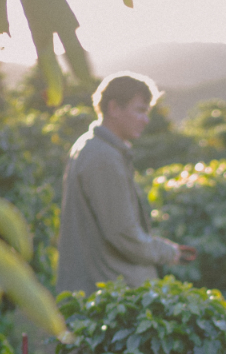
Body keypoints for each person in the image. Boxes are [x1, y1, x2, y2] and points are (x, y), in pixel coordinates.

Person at [55, 72, 196, 295]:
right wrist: (168, 252)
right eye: (140, 110)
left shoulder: (91, 145)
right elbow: (123, 234)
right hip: (109, 292)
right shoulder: (104, 157)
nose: (146, 119)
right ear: (114, 108)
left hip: (97, 287)